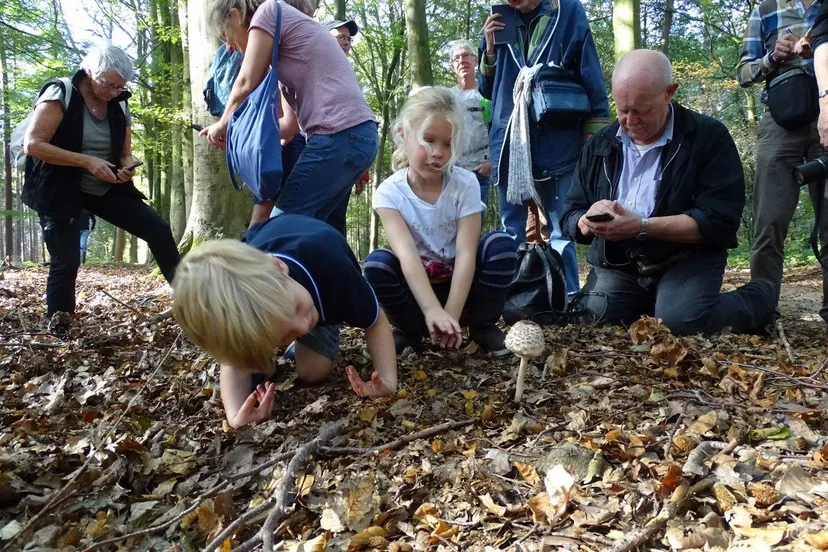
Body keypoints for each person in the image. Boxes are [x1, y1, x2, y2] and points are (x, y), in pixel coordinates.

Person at [561, 50, 776, 336]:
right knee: (592, 317)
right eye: (622, 109)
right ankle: (659, 301)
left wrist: (641, 226)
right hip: (620, 263)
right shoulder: (601, 144)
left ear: (669, 93)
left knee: (682, 322)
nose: (629, 120)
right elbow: (570, 212)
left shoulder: (707, 137)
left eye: (641, 110)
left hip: (686, 259)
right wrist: (586, 221)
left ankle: (760, 295)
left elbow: (718, 221)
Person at [172, 212, 398, 428]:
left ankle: (285, 339)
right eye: (283, 336)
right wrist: (236, 415)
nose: (302, 326)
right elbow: (232, 358)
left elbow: (376, 321)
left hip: (321, 264)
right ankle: (266, 350)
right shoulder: (262, 291)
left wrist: (387, 380)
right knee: (254, 349)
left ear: (279, 267)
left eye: (295, 307)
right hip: (268, 249)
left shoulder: (339, 276)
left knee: (313, 372)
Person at [22, 43, 180, 326]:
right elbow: (33, 145)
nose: (114, 92)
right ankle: (61, 327)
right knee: (66, 260)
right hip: (59, 188)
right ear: (90, 71)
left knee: (157, 228)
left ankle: (191, 299)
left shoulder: (119, 102)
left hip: (104, 187)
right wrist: (87, 162)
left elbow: (124, 153)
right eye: (109, 84)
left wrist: (127, 167)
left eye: (121, 87)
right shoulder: (61, 93)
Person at [363, 88, 518, 356]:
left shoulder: (465, 183)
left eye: (447, 144)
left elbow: (467, 252)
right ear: (403, 134)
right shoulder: (389, 194)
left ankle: (482, 326)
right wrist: (433, 310)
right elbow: (408, 256)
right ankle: (409, 331)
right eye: (428, 140)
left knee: (501, 245)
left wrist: (452, 315)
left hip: (462, 288)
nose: (438, 153)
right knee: (378, 264)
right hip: (417, 292)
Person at [203, 0, 378, 234]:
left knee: (279, 229)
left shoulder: (269, 11)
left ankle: (255, 268)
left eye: (226, 37)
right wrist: (236, 137)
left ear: (236, 16)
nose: (229, 48)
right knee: (310, 231)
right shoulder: (287, 52)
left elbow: (244, 82)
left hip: (338, 135)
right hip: (359, 137)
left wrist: (223, 123)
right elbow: (289, 124)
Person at [479, 0, 610, 296]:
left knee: (561, 227)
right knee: (512, 230)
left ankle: (568, 297)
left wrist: (595, 133)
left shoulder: (568, 11)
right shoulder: (498, 19)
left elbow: (588, 67)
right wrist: (488, 51)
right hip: (509, 139)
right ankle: (513, 298)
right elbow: (487, 89)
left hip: (558, 134)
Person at [737, 0, 828, 325]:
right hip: (781, 118)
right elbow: (744, 73)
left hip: (827, 111)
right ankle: (762, 311)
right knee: (769, 223)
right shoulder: (766, 10)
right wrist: (773, 57)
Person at [448, 40, 492, 206]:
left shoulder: (488, 94)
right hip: (452, 172)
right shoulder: (447, 98)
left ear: (475, 60)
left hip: (481, 171)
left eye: (466, 55)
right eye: (457, 58)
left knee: (475, 221)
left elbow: (500, 131)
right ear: (453, 66)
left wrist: (492, 163)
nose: (462, 61)